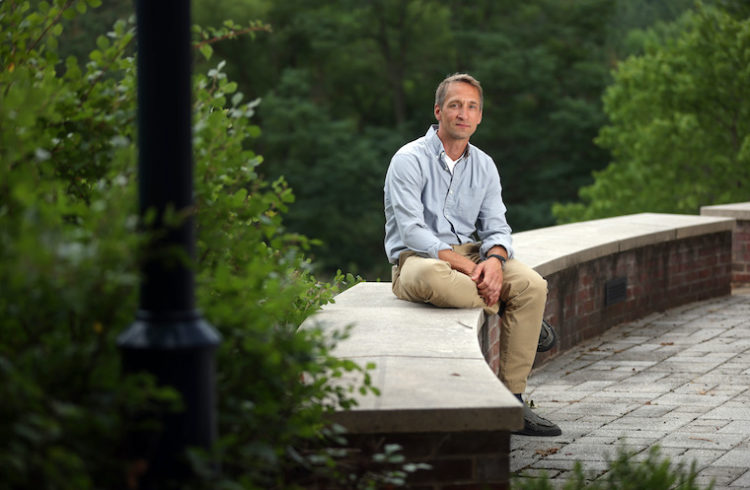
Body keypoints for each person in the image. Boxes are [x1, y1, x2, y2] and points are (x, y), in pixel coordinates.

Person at [383, 73, 561, 437]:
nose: (463, 113)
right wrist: (470, 267)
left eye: (472, 107)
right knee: (437, 279)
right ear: (439, 111)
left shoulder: (485, 166)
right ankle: (513, 311)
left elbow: (497, 228)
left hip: (474, 258)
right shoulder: (408, 160)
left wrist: (494, 261)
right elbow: (412, 231)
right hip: (419, 260)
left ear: (479, 116)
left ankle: (512, 403)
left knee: (532, 286)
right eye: (455, 105)